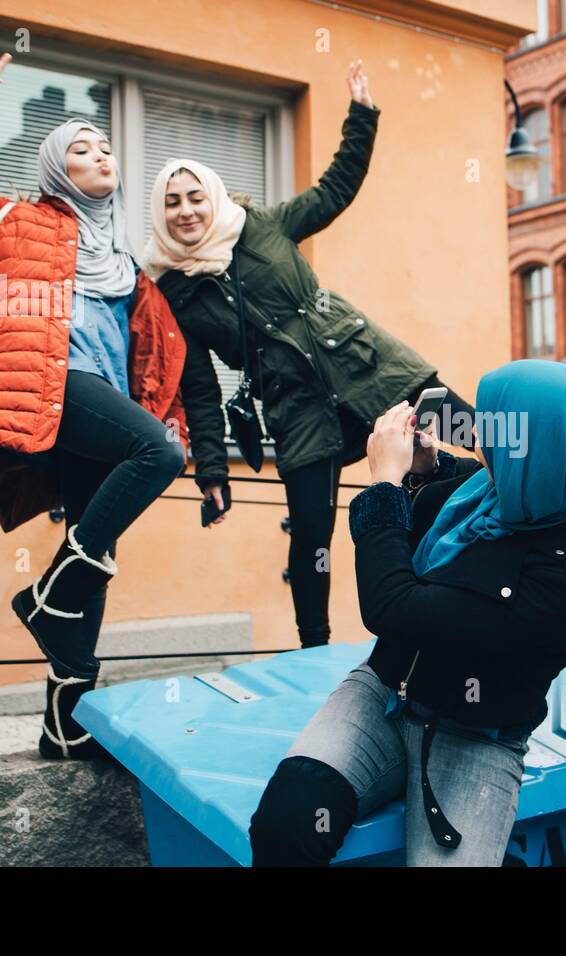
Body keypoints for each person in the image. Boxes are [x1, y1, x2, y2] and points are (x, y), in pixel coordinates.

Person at [0, 52, 191, 760]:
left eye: (107, 146)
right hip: (44, 390)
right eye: (82, 149)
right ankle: (52, 585)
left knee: (96, 552)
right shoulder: (7, 221)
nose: (101, 155)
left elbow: (149, 353)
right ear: (57, 166)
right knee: (159, 453)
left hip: (100, 407)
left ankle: (65, 721)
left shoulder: (127, 258)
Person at [144, 60, 475, 650]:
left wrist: (361, 113)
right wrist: (213, 473)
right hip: (295, 406)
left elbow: (336, 187)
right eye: (172, 202)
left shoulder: (262, 226)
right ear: (160, 213)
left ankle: (546, 510)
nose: (186, 210)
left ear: (214, 196)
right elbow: (199, 389)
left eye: (195, 196)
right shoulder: (176, 292)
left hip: (365, 362)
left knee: (475, 430)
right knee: (312, 535)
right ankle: (313, 651)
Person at [248, 360, 566, 866]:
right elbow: (465, 477)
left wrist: (385, 485)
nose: (478, 435)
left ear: (537, 453)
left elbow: (394, 607)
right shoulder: (514, 486)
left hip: (477, 737)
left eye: (494, 426)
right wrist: (426, 467)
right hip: (383, 693)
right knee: (286, 825)